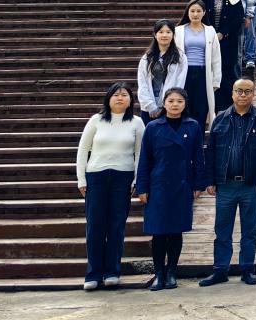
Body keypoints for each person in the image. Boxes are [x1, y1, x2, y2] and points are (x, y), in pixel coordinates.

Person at [199, 78, 256, 287]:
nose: (243, 95)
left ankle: (247, 269)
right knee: (222, 230)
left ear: (253, 94)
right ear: (232, 93)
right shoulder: (220, 119)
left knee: (249, 230)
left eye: (247, 91)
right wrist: (210, 180)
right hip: (225, 185)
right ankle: (220, 270)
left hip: (251, 185)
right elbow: (210, 152)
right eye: (239, 91)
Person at [76, 82, 145, 291]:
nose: (120, 98)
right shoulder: (96, 120)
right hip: (96, 176)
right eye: (116, 94)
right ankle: (93, 273)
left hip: (122, 177)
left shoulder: (136, 123)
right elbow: (83, 149)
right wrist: (81, 179)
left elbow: (140, 153)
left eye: (124, 95)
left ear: (130, 101)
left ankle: (112, 271)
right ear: (108, 98)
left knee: (116, 225)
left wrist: (137, 179)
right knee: (95, 225)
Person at [136, 87, 206, 291]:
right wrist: (142, 187)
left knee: (176, 231)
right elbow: (145, 160)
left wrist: (198, 184)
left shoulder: (193, 126)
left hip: (182, 185)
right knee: (158, 233)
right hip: (157, 186)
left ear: (185, 104)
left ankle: (172, 273)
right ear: (164, 103)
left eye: (179, 101)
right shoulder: (153, 127)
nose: (175, 104)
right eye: (171, 101)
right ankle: (159, 274)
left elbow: (198, 157)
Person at [200, 0, 245, 112]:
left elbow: (238, 20)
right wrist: (211, 32)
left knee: (226, 72)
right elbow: (200, 14)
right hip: (207, 39)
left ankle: (225, 106)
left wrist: (223, 33)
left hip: (227, 42)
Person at [176, 0, 222, 128]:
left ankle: (199, 137)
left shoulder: (210, 31)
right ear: (187, 12)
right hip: (184, 73)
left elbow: (216, 57)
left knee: (201, 108)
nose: (195, 14)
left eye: (198, 11)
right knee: (184, 106)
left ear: (204, 13)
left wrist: (216, 80)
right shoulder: (179, 30)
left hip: (203, 73)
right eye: (192, 11)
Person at [137, 19, 187, 124]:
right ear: (155, 35)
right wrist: (150, 106)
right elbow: (142, 83)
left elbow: (180, 83)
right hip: (148, 108)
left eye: (168, 32)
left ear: (173, 35)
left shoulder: (180, 57)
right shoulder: (146, 58)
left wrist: (168, 104)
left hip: (170, 108)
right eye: (161, 32)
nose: (164, 35)